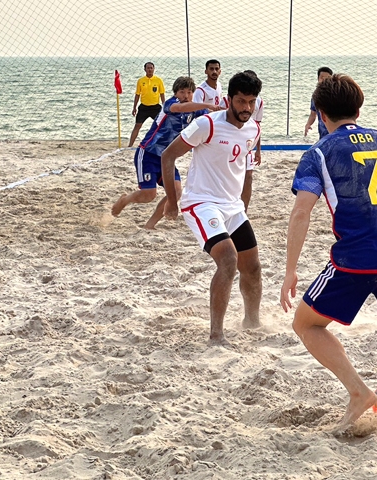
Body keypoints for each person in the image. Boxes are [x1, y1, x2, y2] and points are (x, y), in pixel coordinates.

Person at [280, 74, 377, 430]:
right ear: (358, 107)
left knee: (306, 324)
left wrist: (290, 270)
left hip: (357, 256)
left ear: (321, 114)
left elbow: (302, 211)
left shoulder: (318, 152)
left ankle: (358, 392)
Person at [161, 72, 263, 346]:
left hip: (232, 207)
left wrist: (243, 210)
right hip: (201, 202)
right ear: (228, 99)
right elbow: (168, 155)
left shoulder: (254, 129)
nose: (246, 108)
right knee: (228, 260)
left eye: (251, 102)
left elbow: (246, 172)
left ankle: (252, 322)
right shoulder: (207, 124)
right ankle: (216, 335)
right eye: (241, 101)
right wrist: (172, 200)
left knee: (252, 267)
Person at [111, 77, 211, 229]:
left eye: (189, 92)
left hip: (167, 158)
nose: (185, 95)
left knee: (177, 192)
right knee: (149, 195)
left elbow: (212, 116)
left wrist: (225, 110)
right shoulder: (170, 104)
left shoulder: (195, 110)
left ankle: (149, 225)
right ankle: (125, 200)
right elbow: (179, 109)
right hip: (148, 154)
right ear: (175, 93)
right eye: (182, 92)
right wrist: (208, 104)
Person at [241, 70, 264, 212]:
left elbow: (257, 126)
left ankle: (244, 211)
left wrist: (258, 150)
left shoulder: (259, 101)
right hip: (233, 142)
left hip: (248, 143)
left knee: (248, 176)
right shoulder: (230, 98)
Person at [128, 62, 166, 147]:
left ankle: (162, 143)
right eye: (148, 68)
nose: (150, 70)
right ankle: (130, 145)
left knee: (161, 125)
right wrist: (134, 107)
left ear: (154, 69)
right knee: (137, 125)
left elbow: (162, 94)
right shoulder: (141, 81)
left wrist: (164, 106)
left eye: (151, 68)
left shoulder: (158, 80)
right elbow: (137, 94)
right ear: (145, 69)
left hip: (155, 107)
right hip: (144, 107)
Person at [304, 67, 333, 139]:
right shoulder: (316, 96)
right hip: (323, 133)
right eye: (322, 77)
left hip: (336, 132)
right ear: (318, 79)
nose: (324, 80)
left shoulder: (336, 94)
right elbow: (313, 114)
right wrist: (308, 124)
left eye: (328, 78)